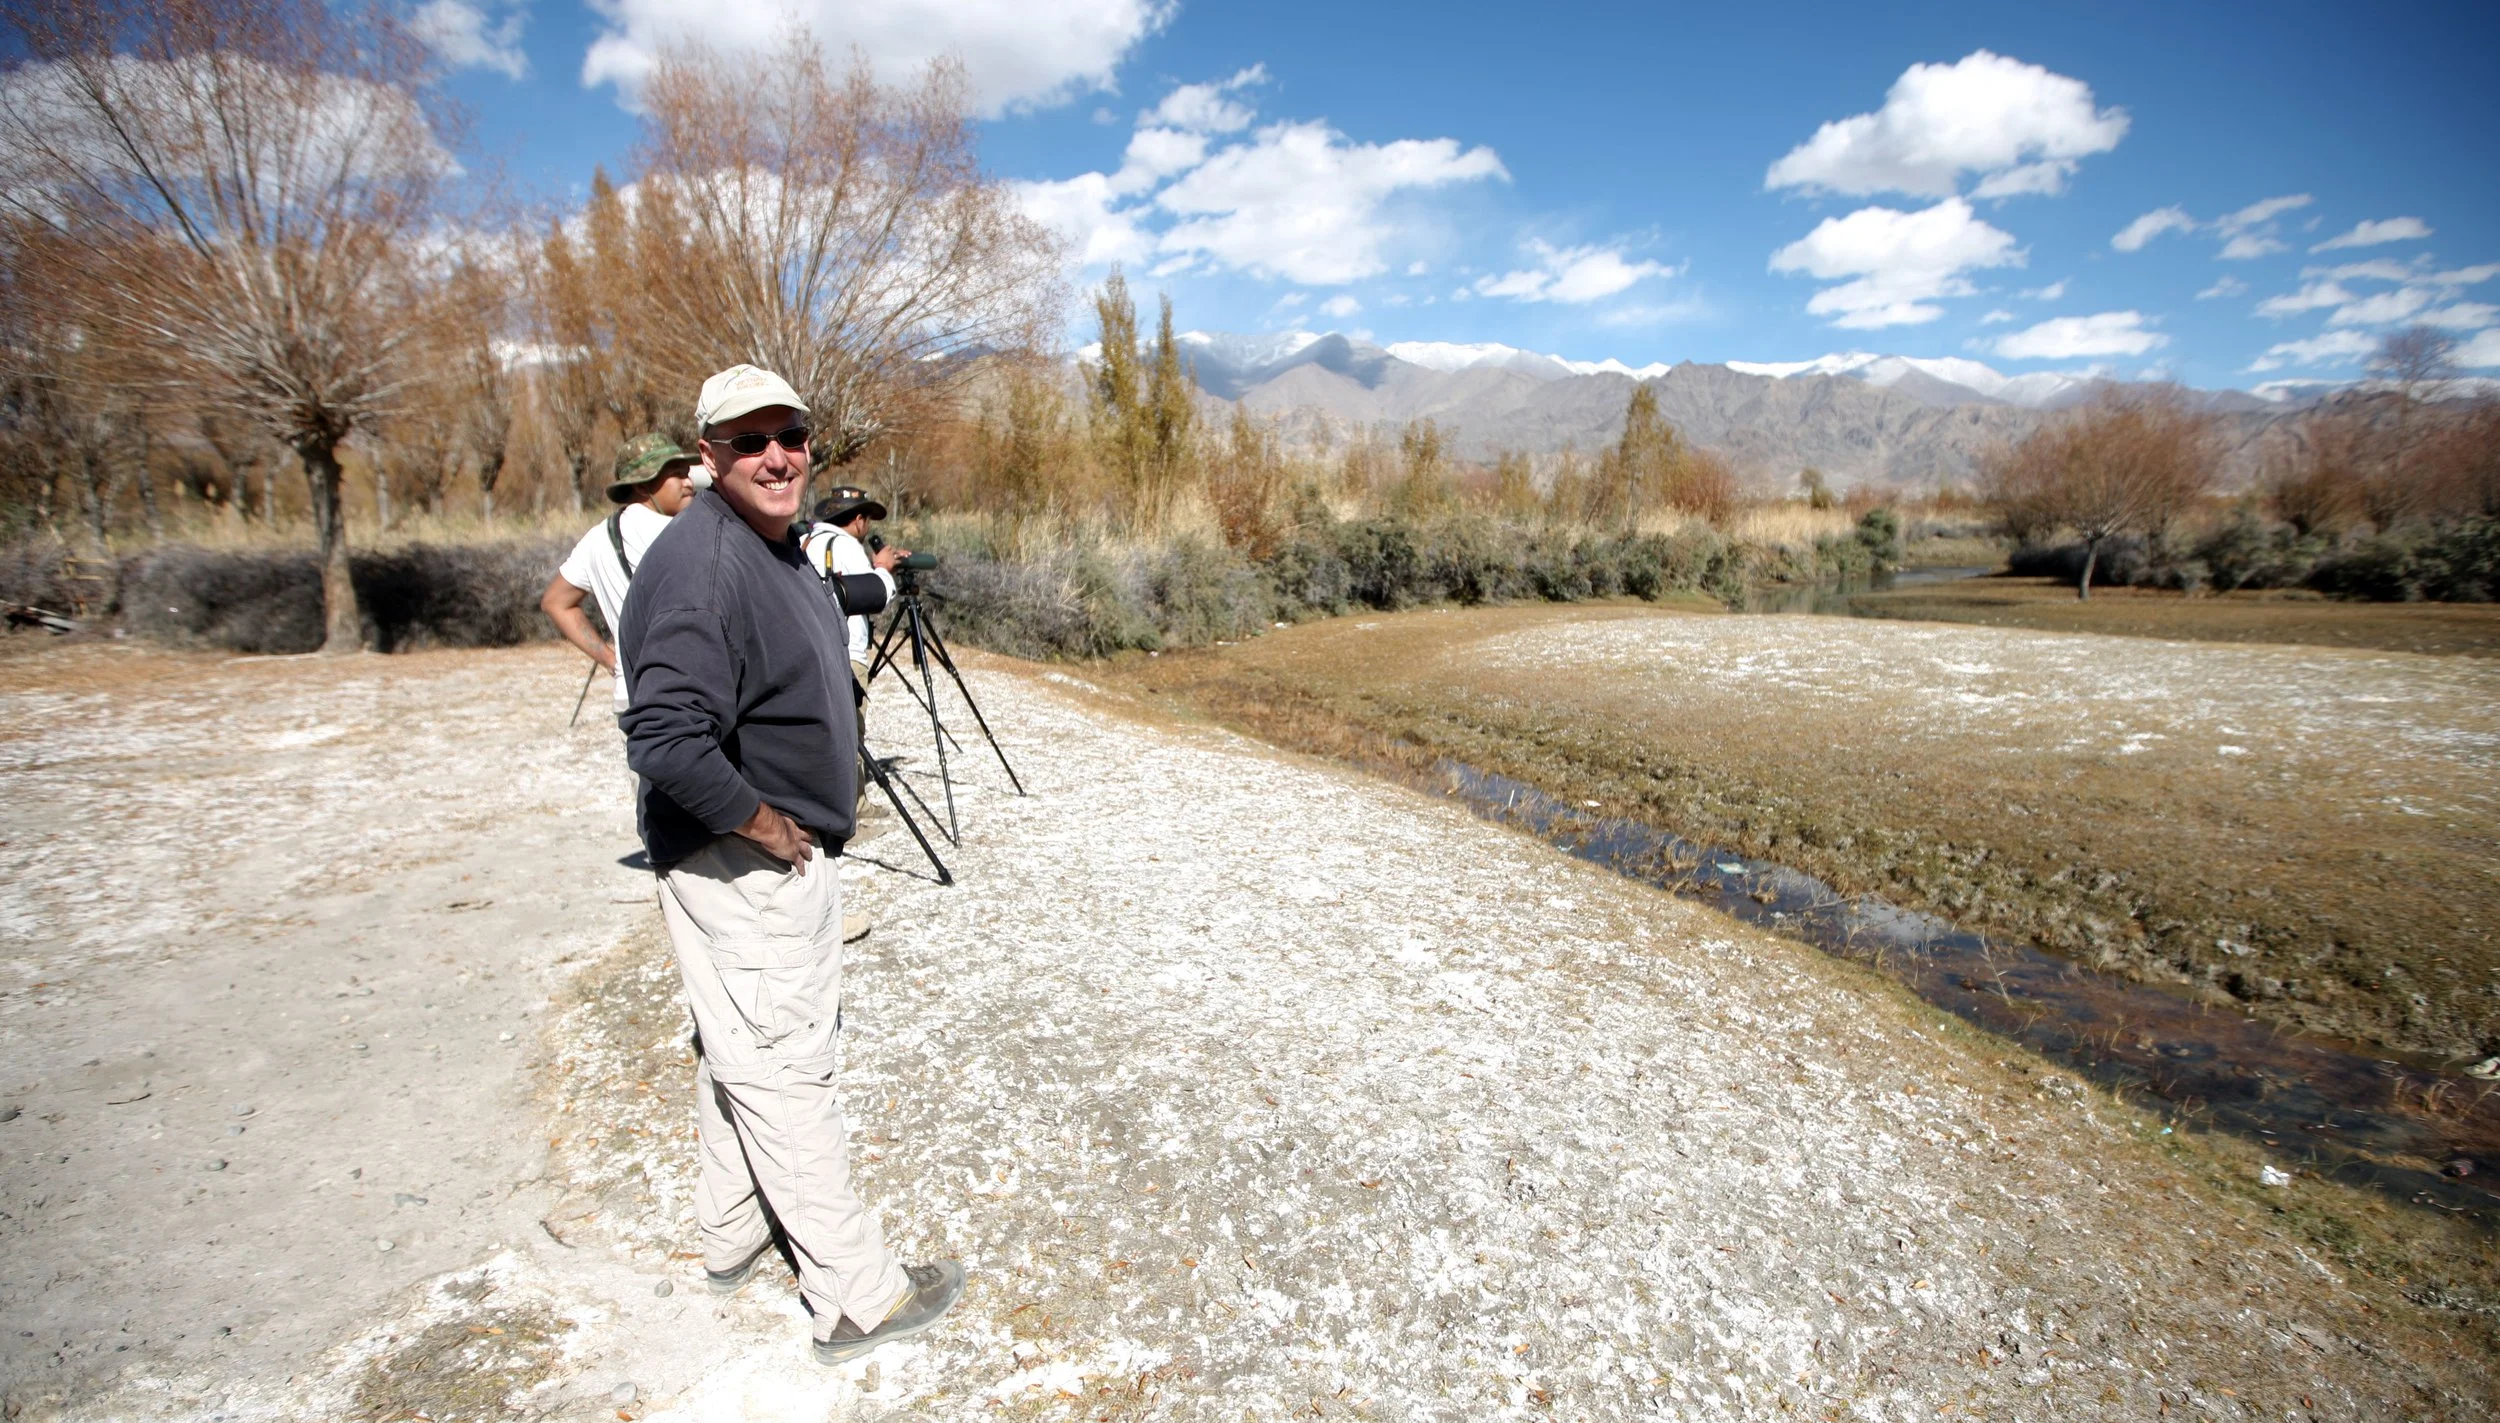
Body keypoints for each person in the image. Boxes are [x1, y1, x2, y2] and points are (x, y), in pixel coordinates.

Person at [616, 364, 964, 1366]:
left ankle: (730, 1236)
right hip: (744, 863)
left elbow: (799, 617)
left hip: (756, 860)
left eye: (792, 436)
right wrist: (767, 827)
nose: (777, 456)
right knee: (784, 1068)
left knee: (740, 1044)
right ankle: (857, 1300)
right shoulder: (703, 564)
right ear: (707, 455)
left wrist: (870, 580)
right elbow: (666, 739)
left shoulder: (767, 542)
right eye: (749, 440)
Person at [540, 434, 696, 718]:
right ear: (642, 484)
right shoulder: (684, 531)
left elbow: (555, 602)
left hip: (632, 698)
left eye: (687, 472)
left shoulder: (598, 537)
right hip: (686, 696)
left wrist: (613, 661)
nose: (689, 482)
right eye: (677, 474)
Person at [802, 486, 910, 825]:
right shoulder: (847, 546)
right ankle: (853, 809)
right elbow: (875, 596)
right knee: (852, 731)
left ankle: (820, 801)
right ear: (858, 519)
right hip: (846, 652)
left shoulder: (806, 540)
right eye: (867, 520)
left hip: (810, 648)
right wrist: (883, 569)